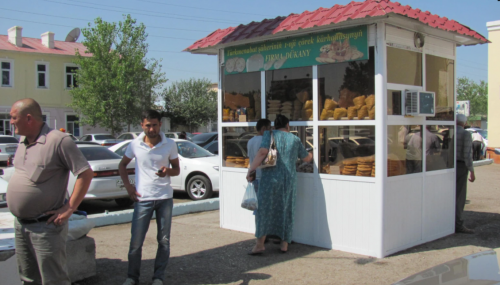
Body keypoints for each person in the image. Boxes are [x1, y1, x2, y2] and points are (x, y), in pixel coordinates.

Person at [7, 98, 94, 285]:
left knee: (54, 280)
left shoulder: (58, 141)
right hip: (21, 225)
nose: (11, 122)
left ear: (28, 118)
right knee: (28, 278)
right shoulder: (22, 141)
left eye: (14, 118)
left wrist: (69, 208)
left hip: (45, 227)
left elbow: (85, 174)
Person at [119, 110, 180, 285]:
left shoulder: (170, 144)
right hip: (142, 199)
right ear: (142, 125)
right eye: (148, 125)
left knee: (164, 241)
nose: (151, 129)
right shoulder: (135, 144)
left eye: (154, 125)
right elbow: (122, 165)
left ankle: (158, 278)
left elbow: (176, 170)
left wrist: (167, 171)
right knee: (136, 242)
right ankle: (132, 277)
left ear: (160, 124)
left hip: (164, 198)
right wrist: (129, 187)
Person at [246, 115, 313, 254]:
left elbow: (263, 152)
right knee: (287, 209)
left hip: (270, 178)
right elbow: (306, 158)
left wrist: (251, 169)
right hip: (289, 180)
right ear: (287, 125)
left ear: (275, 126)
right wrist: (312, 153)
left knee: (265, 209)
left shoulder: (269, 135)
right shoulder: (295, 139)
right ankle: (284, 244)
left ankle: (260, 244)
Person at [455, 114, 475, 234]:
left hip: (449, 166)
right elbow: (467, 154)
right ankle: (458, 224)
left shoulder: (450, 132)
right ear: (464, 122)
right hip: (461, 166)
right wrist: (472, 171)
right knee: (460, 197)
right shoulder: (466, 134)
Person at [246, 119, 271, 195]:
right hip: (264, 178)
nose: (271, 131)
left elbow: (250, 157)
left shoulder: (250, 141)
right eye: (269, 128)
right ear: (263, 129)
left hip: (254, 177)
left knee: (257, 203)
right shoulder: (265, 141)